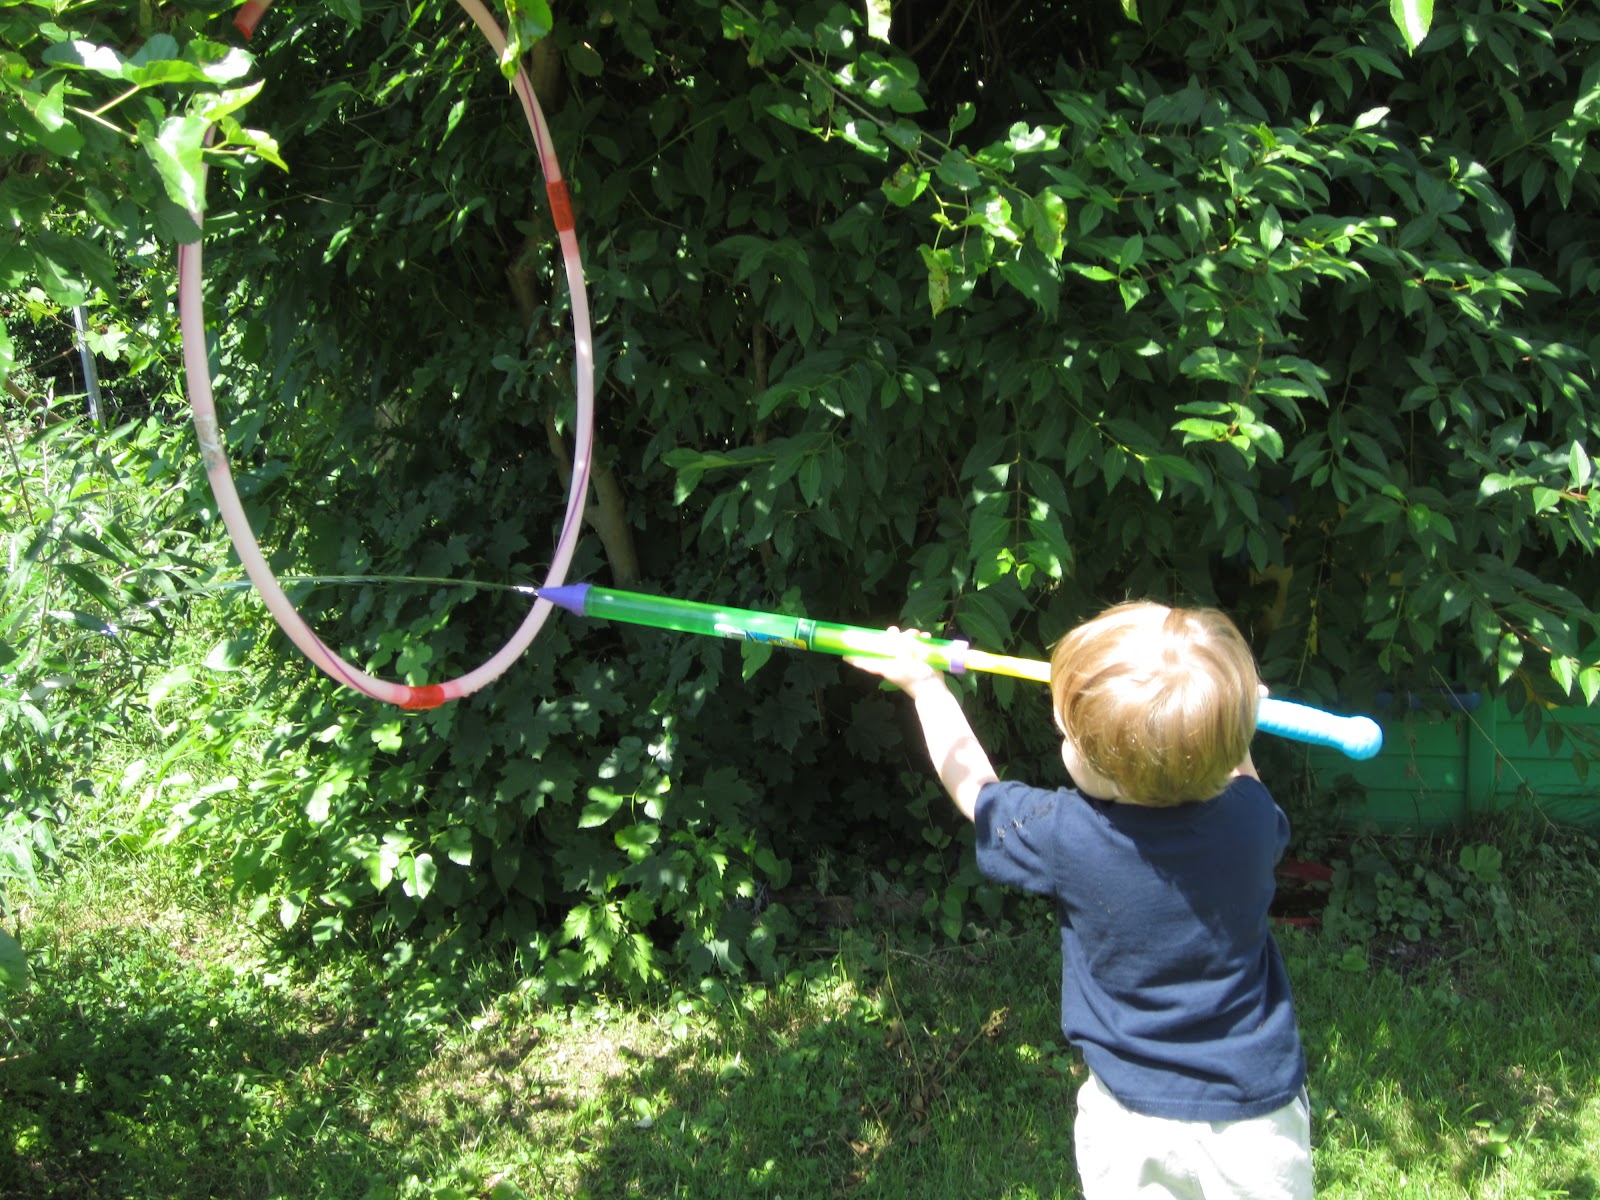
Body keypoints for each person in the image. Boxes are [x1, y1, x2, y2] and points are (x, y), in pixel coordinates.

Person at [848, 600, 1313, 1199]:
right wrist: (1235, 724)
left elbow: (976, 790)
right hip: (1255, 1122)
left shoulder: (1067, 835)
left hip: (1130, 1123)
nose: (1061, 738)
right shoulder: (1250, 823)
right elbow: (1241, 776)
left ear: (1109, 769)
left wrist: (925, 688)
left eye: (1067, 735)